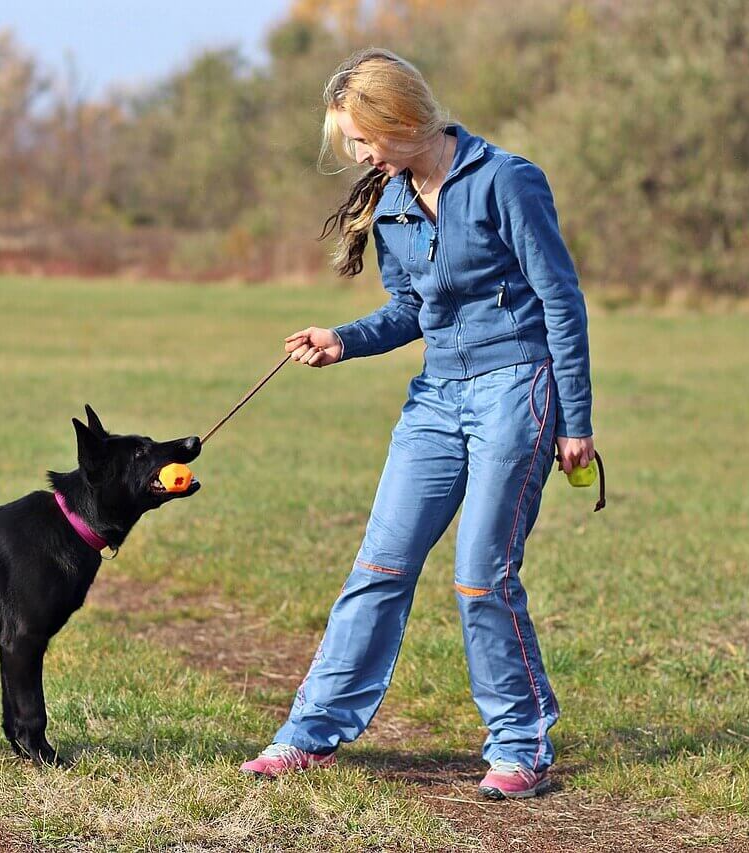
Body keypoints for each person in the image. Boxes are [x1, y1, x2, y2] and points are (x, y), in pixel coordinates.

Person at [239, 48, 595, 801]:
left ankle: (520, 744)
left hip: (517, 388)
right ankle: (308, 734)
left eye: (362, 140)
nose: (358, 157)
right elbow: (410, 310)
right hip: (436, 398)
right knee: (379, 566)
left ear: (400, 120)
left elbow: (560, 300)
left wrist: (576, 420)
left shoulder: (507, 181)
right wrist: (343, 339)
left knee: (481, 576)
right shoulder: (392, 203)